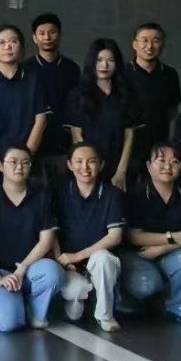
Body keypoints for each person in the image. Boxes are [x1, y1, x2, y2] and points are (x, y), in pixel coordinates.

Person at [0, 146, 62, 332]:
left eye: (25, 163)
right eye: (13, 162)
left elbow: (46, 241)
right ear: (0, 166)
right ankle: (7, 302)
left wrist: (22, 269)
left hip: (30, 268)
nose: (19, 167)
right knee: (8, 323)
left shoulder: (42, 196)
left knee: (53, 273)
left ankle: (35, 309)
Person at [119, 142, 181, 325]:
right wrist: (172, 237)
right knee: (147, 285)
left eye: (174, 162)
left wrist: (162, 248)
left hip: (167, 251)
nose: (168, 167)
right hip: (138, 254)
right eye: (161, 161)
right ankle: (126, 298)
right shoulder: (137, 193)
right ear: (149, 166)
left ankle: (178, 304)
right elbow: (134, 237)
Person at [53, 142, 126, 331]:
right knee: (75, 312)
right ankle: (86, 297)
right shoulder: (58, 193)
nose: (85, 167)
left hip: (97, 261)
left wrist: (77, 256)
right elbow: (50, 234)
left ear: (100, 165)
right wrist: (62, 260)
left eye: (91, 161)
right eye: (79, 161)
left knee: (103, 259)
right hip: (68, 264)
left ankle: (105, 316)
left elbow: (115, 237)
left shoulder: (112, 194)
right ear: (69, 164)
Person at [63, 38, 141, 191]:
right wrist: (91, 167)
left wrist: (121, 170)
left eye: (110, 60)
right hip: (89, 167)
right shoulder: (78, 95)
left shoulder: (126, 94)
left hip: (118, 164)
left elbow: (129, 134)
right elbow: (77, 137)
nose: (104, 65)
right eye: (99, 60)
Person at [0, 25, 50, 180]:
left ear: (21, 48)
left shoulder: (34, 80)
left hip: (29, 160)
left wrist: (25, 157)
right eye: (1, 42)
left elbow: (41, 120)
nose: (8, 46)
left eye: (13, 41)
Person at [30, 13, 82, 174]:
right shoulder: (26, 69)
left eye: (52, 32)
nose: (47, 37)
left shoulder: (71, 68)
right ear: (34, 38)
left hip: (64, 143)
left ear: (59, 35)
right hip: (33, 142)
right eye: (42, 33)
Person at [123, 22, 181, 151]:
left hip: (159, 143)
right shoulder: (121, 73)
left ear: (162, 45)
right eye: (145, 40)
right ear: (134, 45)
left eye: (156, 41)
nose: (149, 46)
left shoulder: (170, 74)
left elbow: (172, 110)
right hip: (125, 145)